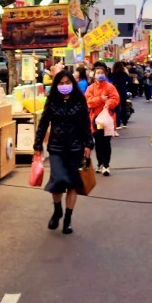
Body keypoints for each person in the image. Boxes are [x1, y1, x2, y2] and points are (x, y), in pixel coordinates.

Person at [34, 69, 95, 235]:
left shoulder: (79, 101)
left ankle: (67, 219)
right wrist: (38, 144)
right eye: (61, 83)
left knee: (73, 185)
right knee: (58, 181)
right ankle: (57, 210)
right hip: (56, 147)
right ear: (56, 85)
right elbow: (43, 123)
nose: (64, 86)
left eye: (67, 82)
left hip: (76, 148)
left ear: (72, 84)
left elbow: (85, 124)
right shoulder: (52, 100)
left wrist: (88, 144)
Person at [85, 62, 121, 176]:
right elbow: (88, 102)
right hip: (95, 119)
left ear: (105, 74)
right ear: (94, 75)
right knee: (98, 143)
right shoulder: (90, 88)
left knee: (106, 142)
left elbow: (116, 99)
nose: (100, 74)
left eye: (102, 73)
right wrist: (100, 99)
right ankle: (100, 163)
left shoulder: (110, 87)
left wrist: (108, 103)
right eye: (98, 73)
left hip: (108, 119)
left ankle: (106, 165)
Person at [111, 61, 133, 130]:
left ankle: (118, 123)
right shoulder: (124, 74)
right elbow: (130, 81)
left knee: (116, 108)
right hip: (123, 91)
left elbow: (111, 83)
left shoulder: (113, 74)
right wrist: (125, 85)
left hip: (115, 92)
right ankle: (124, 123)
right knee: (123, 107)